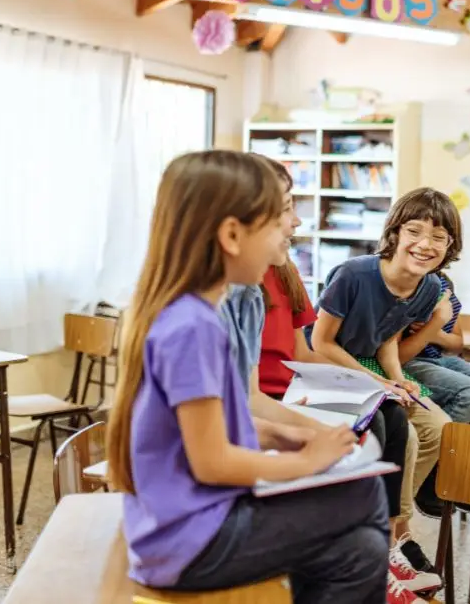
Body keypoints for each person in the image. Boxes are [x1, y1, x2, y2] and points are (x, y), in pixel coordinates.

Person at [106, 151, 388, 603]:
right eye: (275, 224)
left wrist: (280, 435)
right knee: (364, 491)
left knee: (362, 551)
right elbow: (212, 462)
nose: (285, 235)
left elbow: (208, 430)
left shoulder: (189, 315)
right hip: (190, 540)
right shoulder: (193, 327)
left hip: (184, 529)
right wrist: (305, 463)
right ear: (233, 235)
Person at [258, 258, 441, 598]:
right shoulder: (240, 282)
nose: (293, 229)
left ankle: (384, 550)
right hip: (273, 400)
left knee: (390, 413)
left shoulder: (285, 270)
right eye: (285, 223)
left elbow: (303, 353)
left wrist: (374, 383)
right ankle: (365, 561)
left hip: (298, 388)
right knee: (371, 425)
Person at [310, 188, 457, 585]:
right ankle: (389, 536)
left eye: (439, 237)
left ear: (450, 246)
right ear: (395, 232)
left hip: (373, 369)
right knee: (405, 435)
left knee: (439, 427)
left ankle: (394, 527)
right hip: (328, 369)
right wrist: (378, 381)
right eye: (415, 231)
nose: (426, 244)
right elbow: (320, 343)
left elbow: (387, 338)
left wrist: (396, 378)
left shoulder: (429, 287)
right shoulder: (354, 274)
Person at [399, 271, 470, 428]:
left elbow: (457, 345)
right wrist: (430, 330)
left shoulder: (445, 284)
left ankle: (468, 442)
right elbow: (396, 356)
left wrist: (435, 333)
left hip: (438, 357)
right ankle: (437, 441)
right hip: (407, 359)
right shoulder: (406, 286)